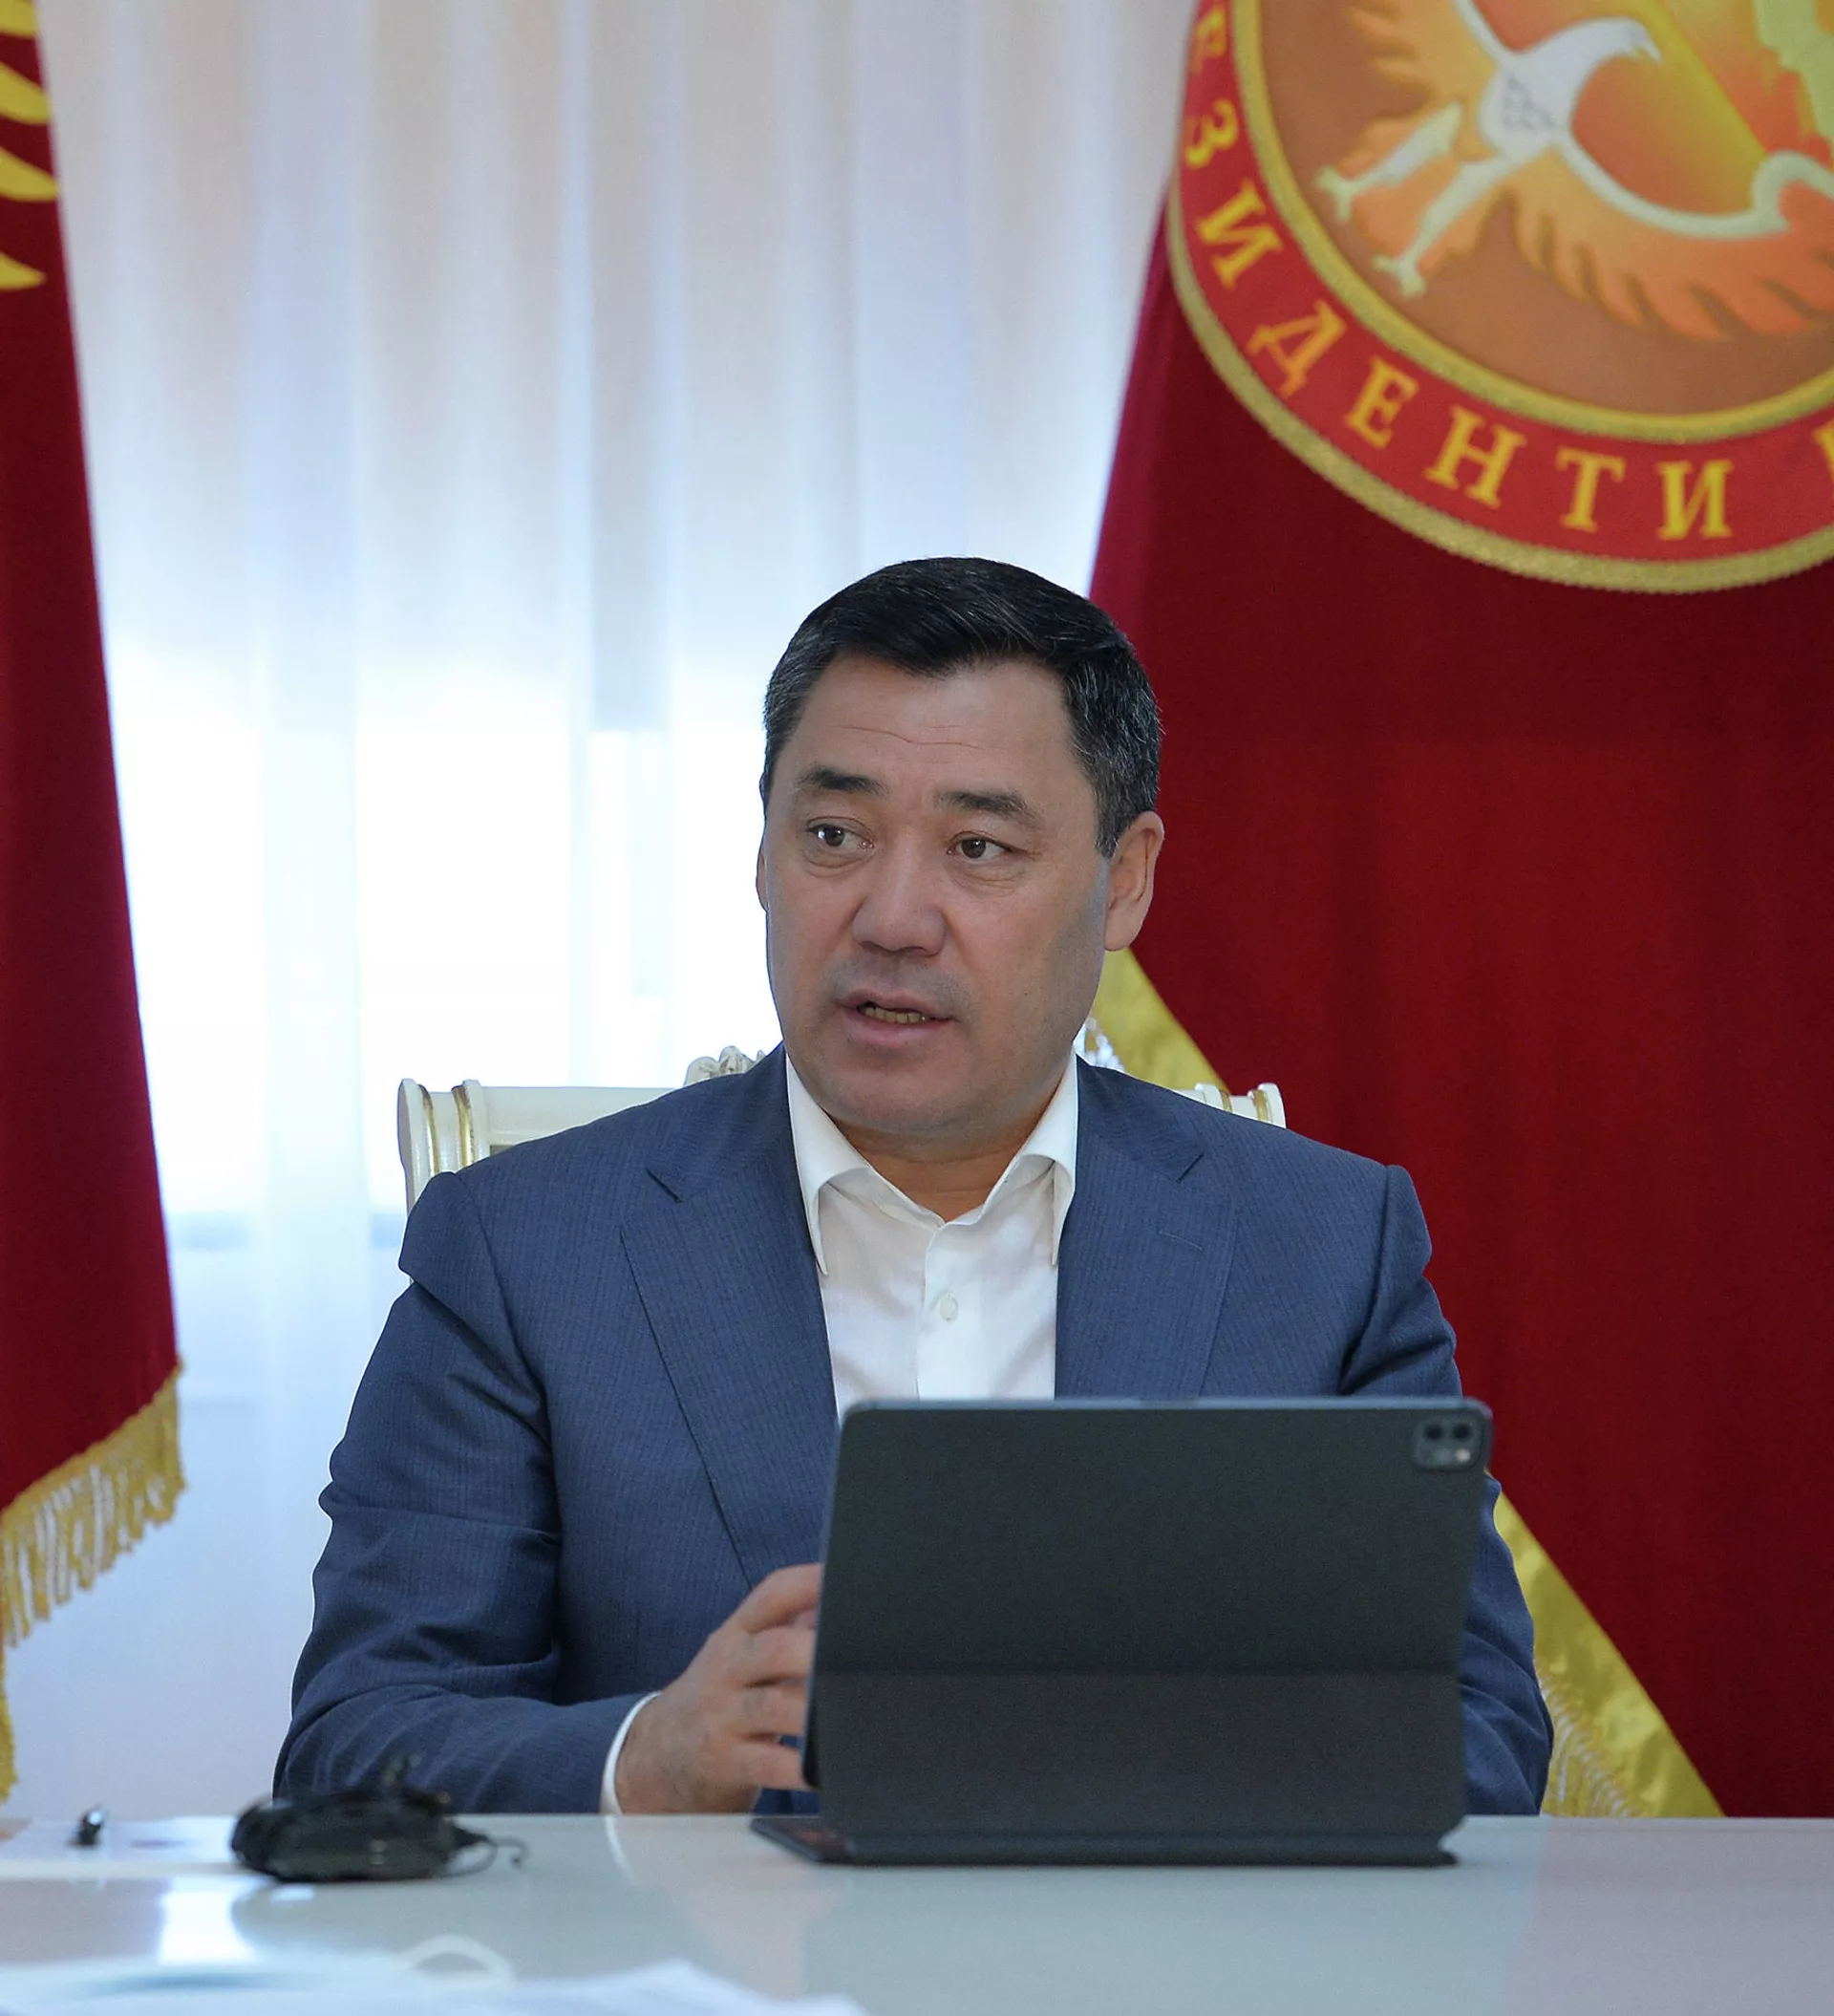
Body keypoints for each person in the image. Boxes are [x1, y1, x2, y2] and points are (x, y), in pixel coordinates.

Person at [280, 557, 1551, 1815]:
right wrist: (647, 1762)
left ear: (1125, 879)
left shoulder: (1319, 1248)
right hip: (705, 1941)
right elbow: (365, 1737)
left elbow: (1477, 1735)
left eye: (978, 847)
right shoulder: (528, 1249)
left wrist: (1129, 1780)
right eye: (833, 835)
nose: (892, 917)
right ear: (763, 851)